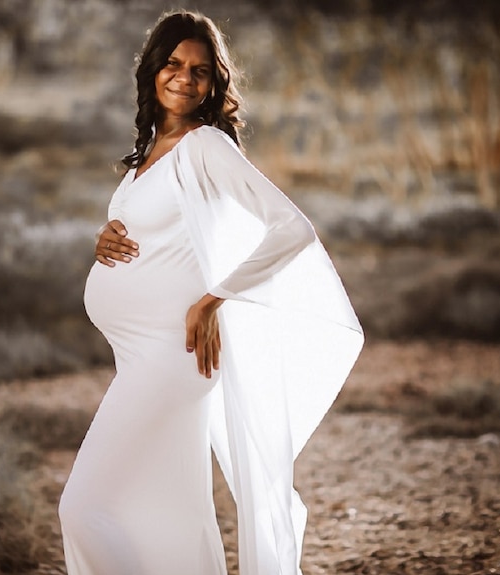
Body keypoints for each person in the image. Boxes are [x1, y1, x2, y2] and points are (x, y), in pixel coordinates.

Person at [58, 10, 363, 575]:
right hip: (138, 355)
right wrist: (107, 236)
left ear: (213, 83)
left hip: (173, 356)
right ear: (153, 71)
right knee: (168, 516)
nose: (184, 78)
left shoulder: (205, 147)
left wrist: (215, 296)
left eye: (199, 70)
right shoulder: (153, 150)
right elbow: (161, 231)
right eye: (173, 64)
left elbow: (291, 228)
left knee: (82, 508)